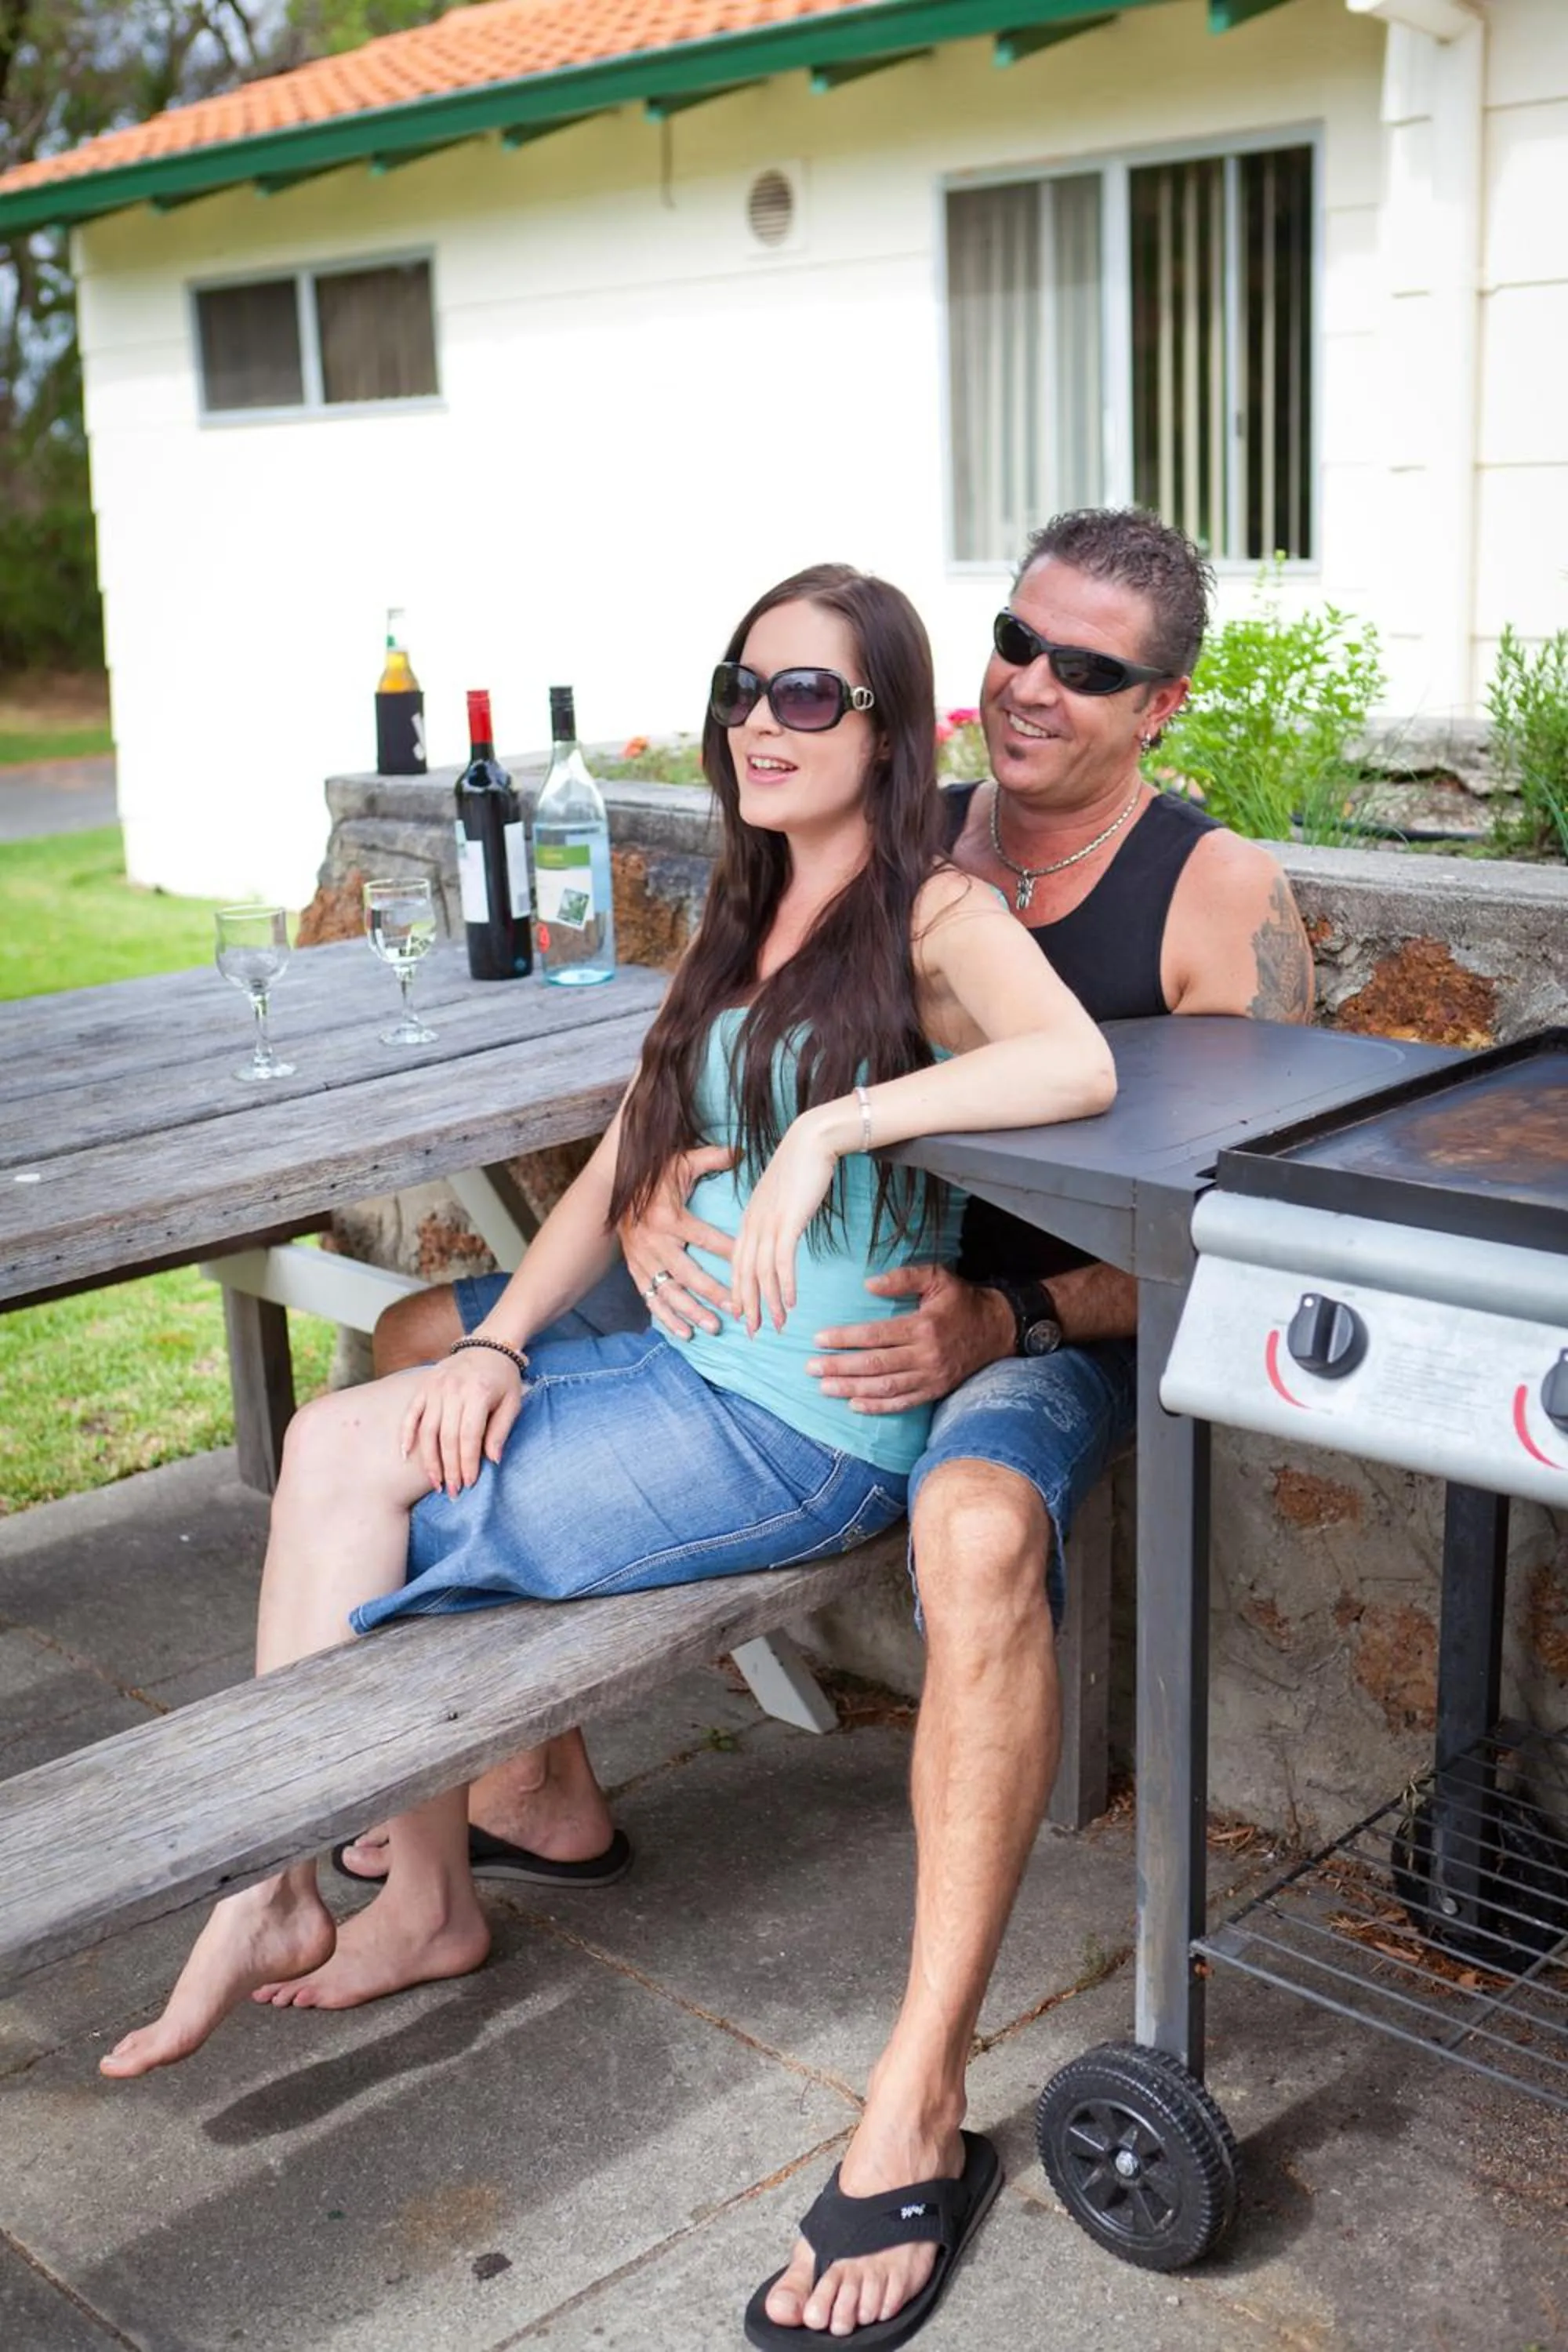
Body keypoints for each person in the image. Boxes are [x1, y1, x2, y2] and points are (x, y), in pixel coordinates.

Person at [96, 546, 1117, 2342]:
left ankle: (299, 1888)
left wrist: (827, 1136)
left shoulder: (931, 916)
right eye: (742, 688)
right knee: (377, 1423)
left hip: (809, 1428)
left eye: (806, 694)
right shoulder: (737, 909)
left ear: (888, 731)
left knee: (353, 1481)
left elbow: (1073, 1069)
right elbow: (630, 1160)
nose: (759, 723)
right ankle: (379, 1894)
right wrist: (497, 1337)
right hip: (685, 1381)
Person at [350, 509, 1316, 2348]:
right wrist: (644, 1202)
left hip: (1044, 1323)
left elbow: (1237, 1224)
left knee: (970, 1531)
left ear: (1163, 705)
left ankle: (919, 2097)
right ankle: (537, 1787)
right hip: (819, 1278)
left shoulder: (1211, 894)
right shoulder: (898, 825)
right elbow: (722, 1042)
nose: (1033, 686)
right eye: (1016, 644)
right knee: (414, 1333)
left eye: (1088, 668)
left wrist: (1016, 1313)